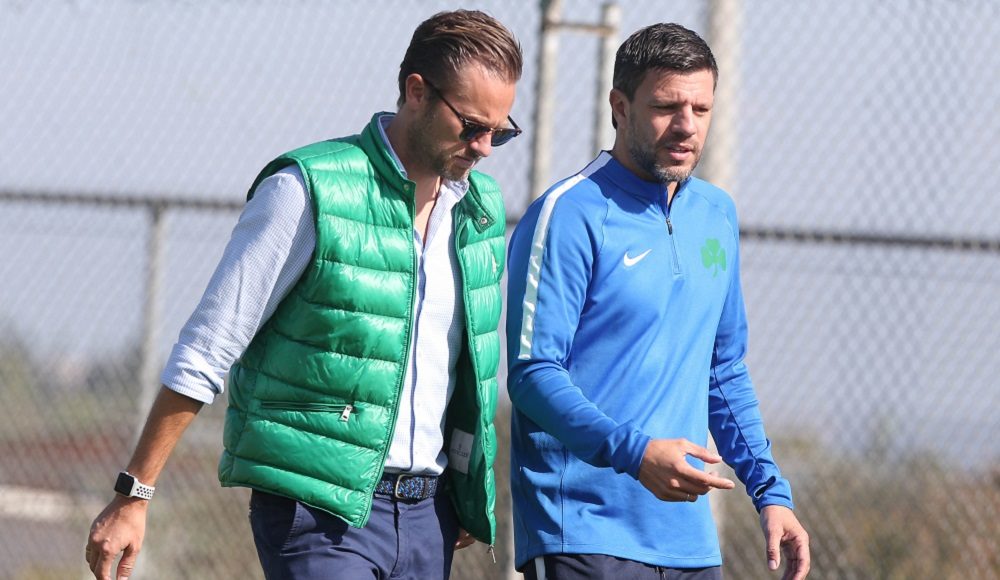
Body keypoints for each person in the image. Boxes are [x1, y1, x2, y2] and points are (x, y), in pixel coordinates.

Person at [86, 10, 522, 580]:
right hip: (317, 513)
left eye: (501, 131)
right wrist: (135, 492)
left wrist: (464, 489)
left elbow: (469, 372)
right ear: (417, 92)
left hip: (429, 518)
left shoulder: (479, 210)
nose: (485, 147)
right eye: (471, 126)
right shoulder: (306, 189)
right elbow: (210, 345)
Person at [506, 22, 809, 580]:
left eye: (701, 108)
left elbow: (723, 370)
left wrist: (771, 491)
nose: (687, 125)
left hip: (688, 543)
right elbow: (533, 374)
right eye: (667, 106)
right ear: (620, 107)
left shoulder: (716, 214)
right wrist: (635, 452)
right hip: (584, 532)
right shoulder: (568, 213)